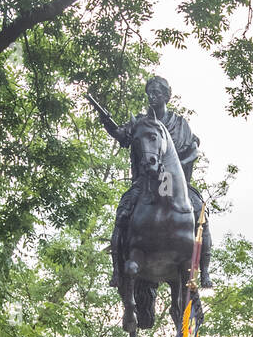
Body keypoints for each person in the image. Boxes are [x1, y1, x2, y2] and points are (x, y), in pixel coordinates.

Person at [91, 75, 212, 289]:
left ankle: (204, 271)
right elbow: (123, 136)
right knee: (122, 212)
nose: (152, 96)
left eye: (157, 92)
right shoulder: (141, 121)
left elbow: (192, 151)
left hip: (175, 184)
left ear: (166, 96)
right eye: (149, 92)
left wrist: (175, 169)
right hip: (146, 182)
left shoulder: (180, 123)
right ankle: (117, 271)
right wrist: (106, 121)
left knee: (200, 212)